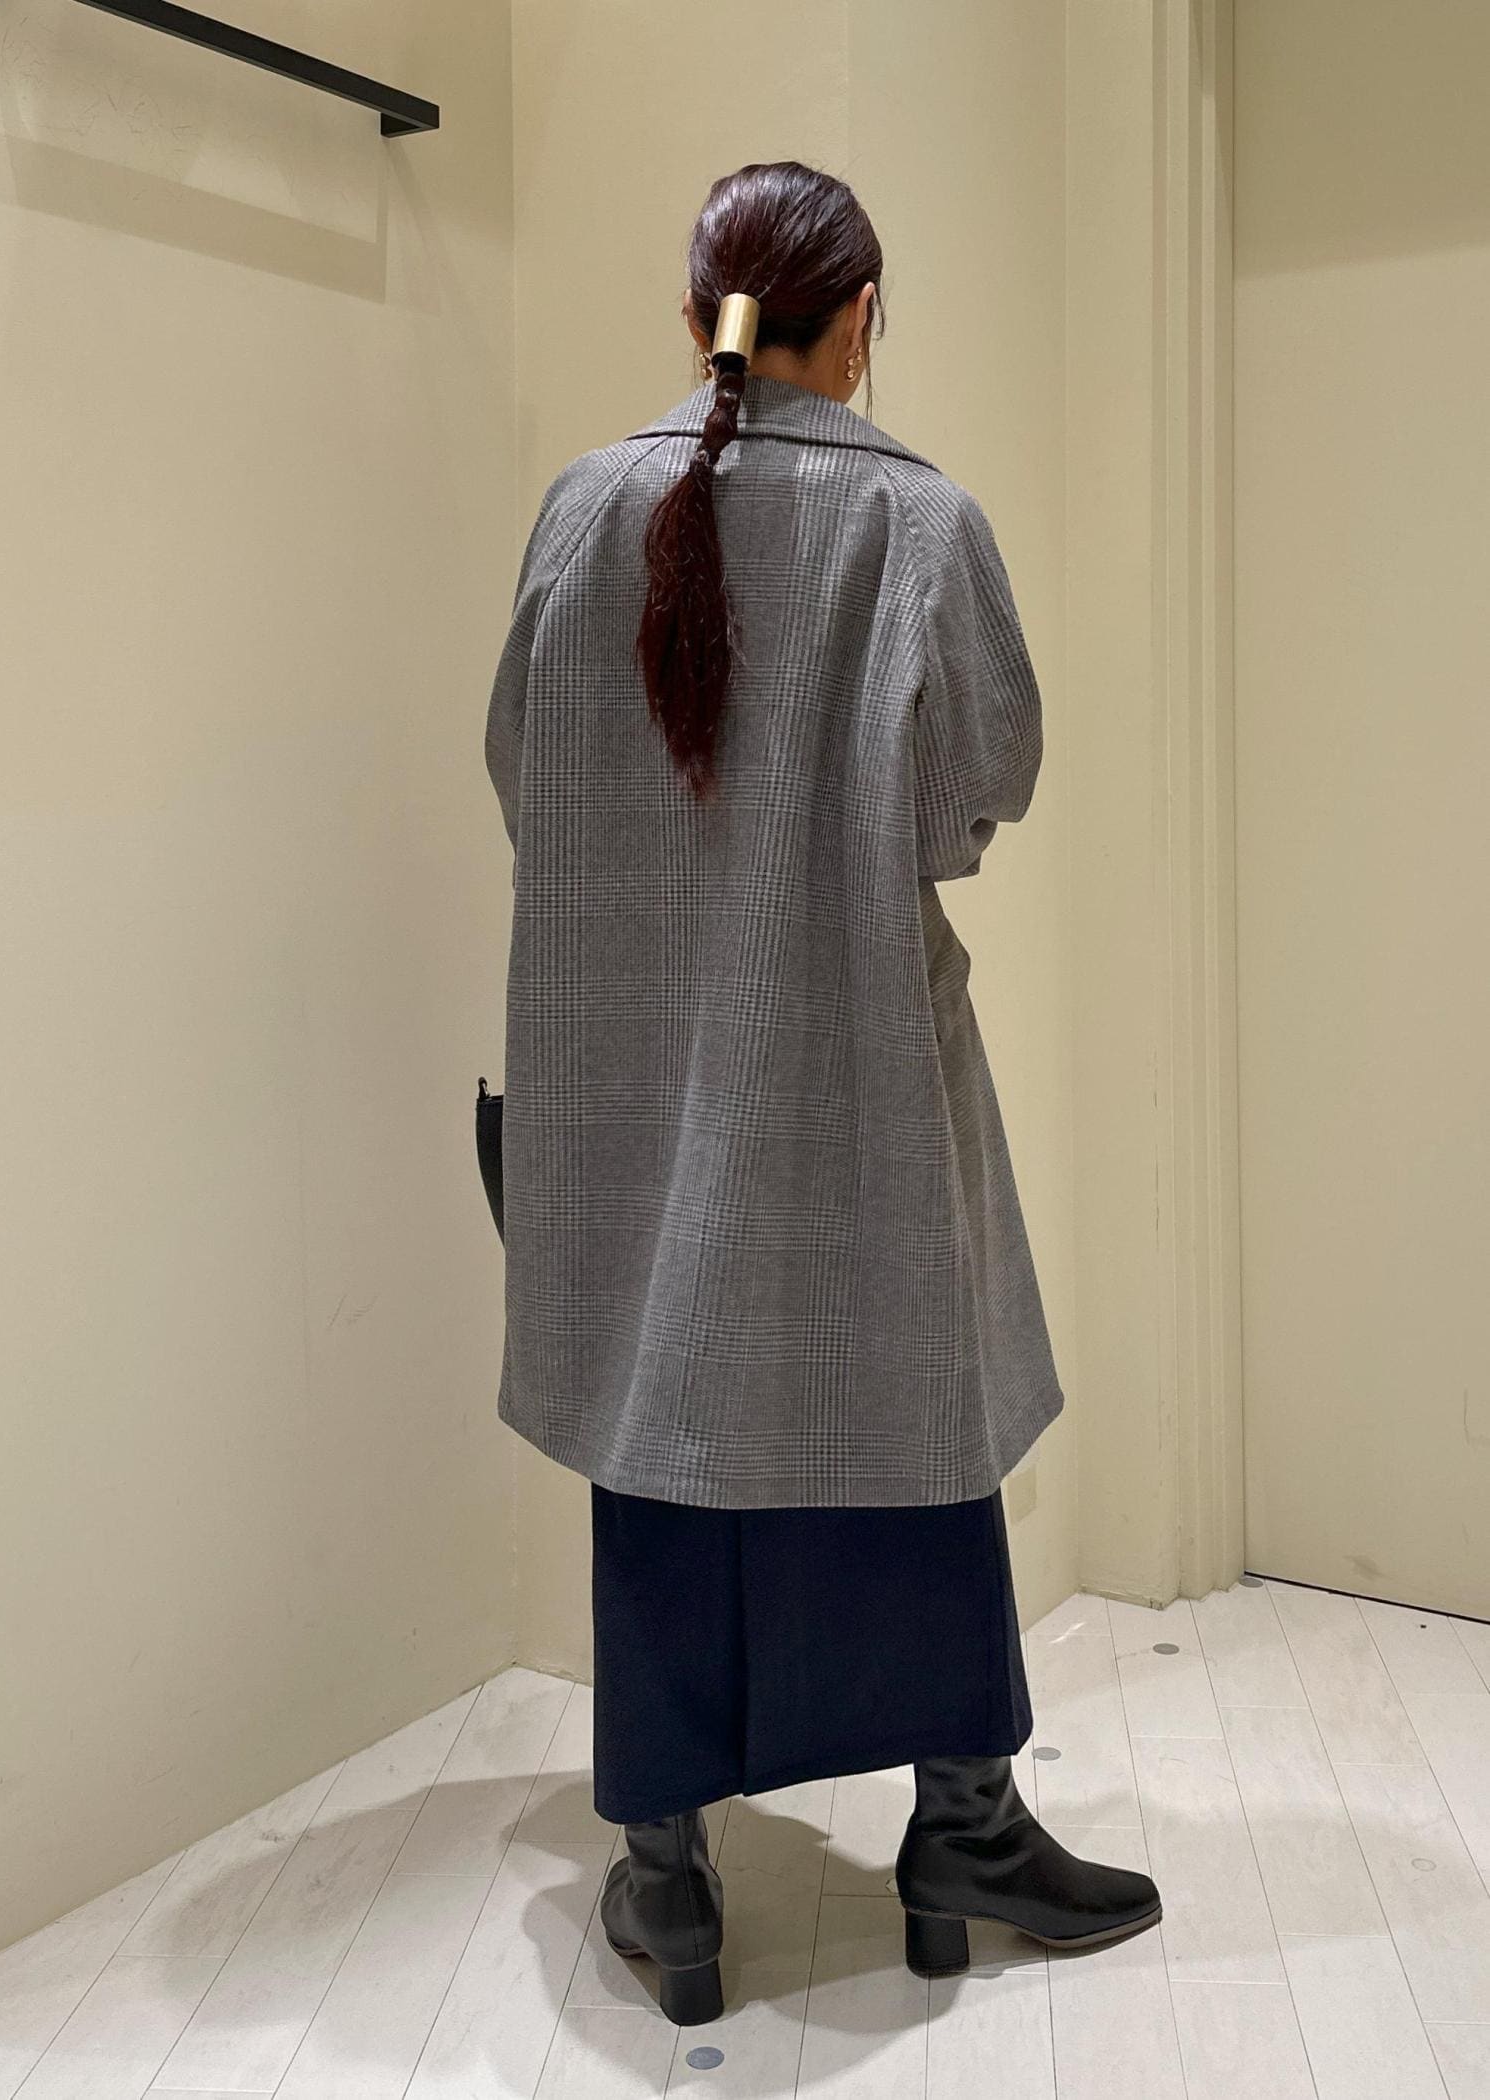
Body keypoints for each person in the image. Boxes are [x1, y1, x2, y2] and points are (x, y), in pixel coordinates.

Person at [485, 159, 1161, 2028]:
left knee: (665, 1418)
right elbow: (976, 790)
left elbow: (524, 769)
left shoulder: (583, 505)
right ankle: (964, 1829)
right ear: (860, 320)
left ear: (691, 314)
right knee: (909, 1410)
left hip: (628, 1067)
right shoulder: (920, 524)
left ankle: (666, 1870)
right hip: (852, 1041)